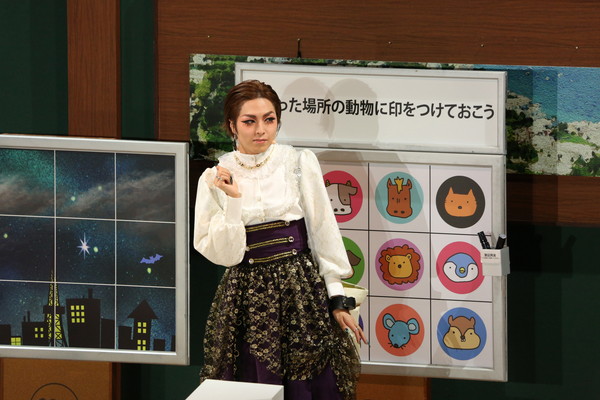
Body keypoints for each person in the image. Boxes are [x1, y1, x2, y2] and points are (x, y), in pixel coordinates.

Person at [193, 79, 366, 400]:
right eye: (249, 121)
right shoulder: (215, 178)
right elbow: (226, 256)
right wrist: (233, 200)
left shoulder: (298, 162)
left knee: (309, 381)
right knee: (251, 381)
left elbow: (323, 231)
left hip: (300, 289)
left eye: (269, 119)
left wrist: (337, 298)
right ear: (232, 125)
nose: (261, 130)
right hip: (245, 296)